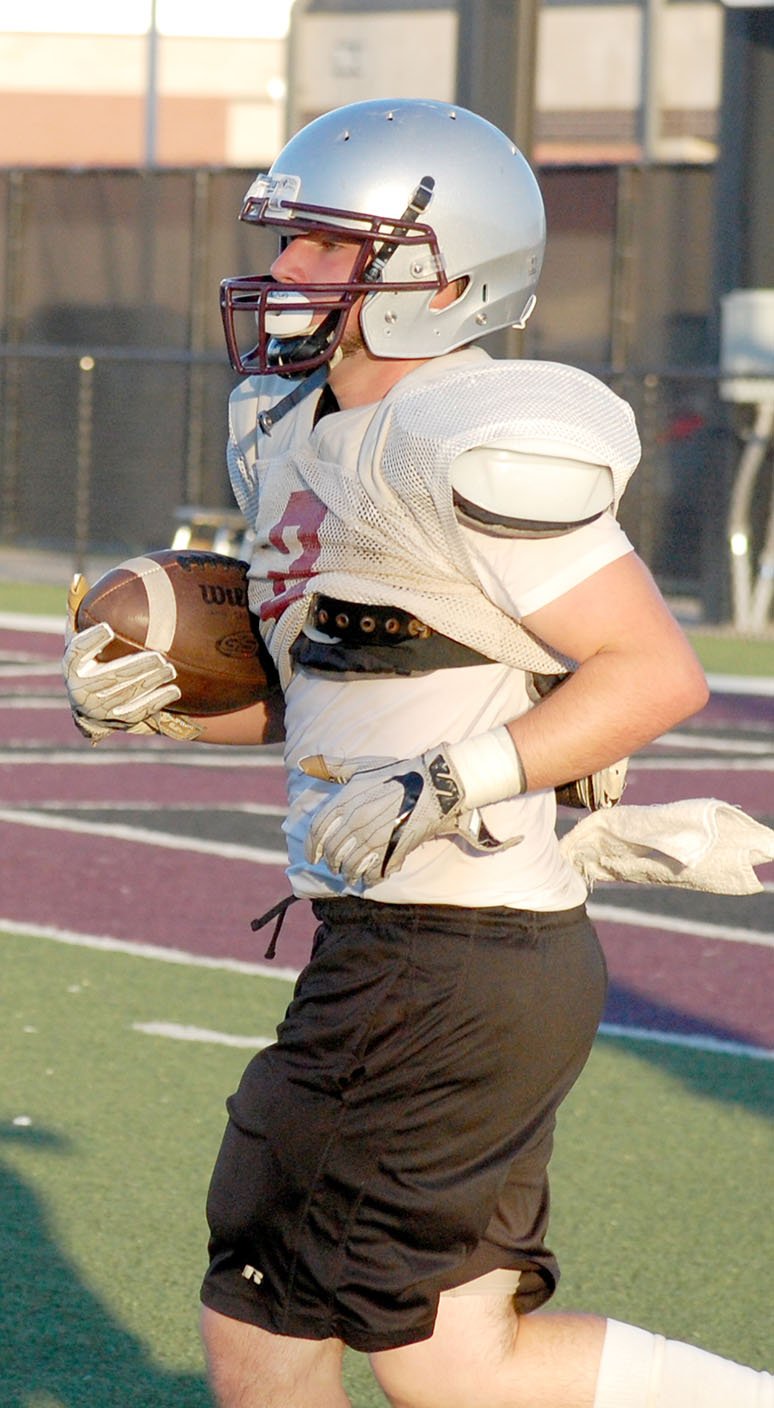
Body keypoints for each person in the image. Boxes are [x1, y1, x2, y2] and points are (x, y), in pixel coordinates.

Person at [62, 100, 772, 1408]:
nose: (286, 274)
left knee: (263, 1319)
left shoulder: (472, 431)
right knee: (457, 1363)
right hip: (447, 958)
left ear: (444, 275)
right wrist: (154, 704)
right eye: (290, 242)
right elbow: (311, 699)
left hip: (447, 953)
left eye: (330, 248)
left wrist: (454, 781)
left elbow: (650, 671)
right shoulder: (290, 426)